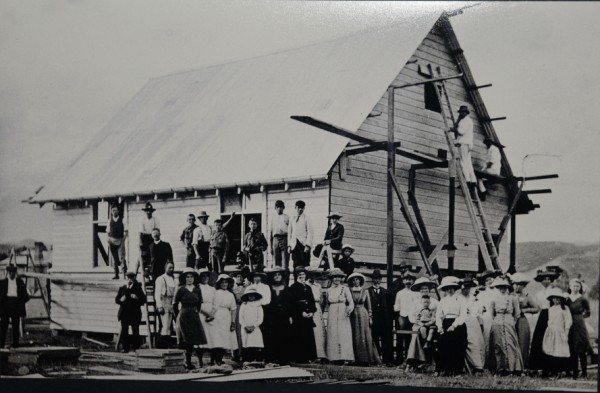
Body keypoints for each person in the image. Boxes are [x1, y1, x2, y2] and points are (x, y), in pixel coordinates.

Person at [487, 277, 524, 375]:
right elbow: (491, 313)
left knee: (510, 344)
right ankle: (500, 368)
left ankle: (512, 368)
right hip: (497, 321)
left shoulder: (513, 298)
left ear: (507, 287)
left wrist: (512, 322)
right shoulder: (494, 299)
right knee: (498, 345)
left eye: (504, 287)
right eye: (500, 287)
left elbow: (517, 313)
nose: (502, 289)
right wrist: (497, 320)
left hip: (509, 321)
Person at [173, 267, 207, 370]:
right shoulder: (181, 289)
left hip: (194, 316)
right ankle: (186, 362)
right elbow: (174, 305)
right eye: (187, 277)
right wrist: (178, 316)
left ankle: (194, 361)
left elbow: (199, 304)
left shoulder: (197, 289)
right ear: (184, 278)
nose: (189, 279)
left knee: (194, 339)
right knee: (185, 340)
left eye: (191, 277)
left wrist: (195, 312)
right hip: (184, 316)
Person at [435, 276, 468, 376]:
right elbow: (439, 315)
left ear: (455, 288)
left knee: (458, 346)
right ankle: (442, 369)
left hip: (458, 324)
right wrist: (440, 326)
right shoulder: (443, 300)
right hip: (445, 323)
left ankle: (457, 370)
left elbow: (463, 315)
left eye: (451, 288)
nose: (449, 290)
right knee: (442, 345)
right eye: (447, 288)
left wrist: (454, 325)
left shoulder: (461, 299)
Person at [529, 269, 559, 372]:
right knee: (539, 338)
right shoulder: (538, 294)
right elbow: (537, 306)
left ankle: (552, 367)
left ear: (551, 280)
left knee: (552, 338)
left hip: (553, 314)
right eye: (544, 279)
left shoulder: (555, 291)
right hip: (542, 316)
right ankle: (538, 366)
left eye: (548, 279)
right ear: (541, 281)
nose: (546, 281)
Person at [406, 277, 438, 370]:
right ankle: (414, 361)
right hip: (418, 324)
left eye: (426, 289)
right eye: (422, 289)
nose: (424, 290)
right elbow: (411, 316)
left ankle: (427, 361)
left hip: (431, 325)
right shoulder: (415, 302)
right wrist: (418, 323)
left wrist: (431, 322)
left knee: (429, 334)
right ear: (419, 290)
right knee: (416, 335)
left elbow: (438, 314)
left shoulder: (435, 302)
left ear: (429, 290)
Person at [347, 272, 380, 365]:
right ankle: (356, 359)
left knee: (364, 335)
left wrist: (370, 317)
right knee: (355, 334)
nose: (355, 281)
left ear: (360, 281)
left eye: (357, 279)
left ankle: (367, 359)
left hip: (363, 313)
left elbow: (369, 305)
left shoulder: (365, 291)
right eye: (353, 280)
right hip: (353, 314)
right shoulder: (349, 290)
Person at [325, 268, 354, 364]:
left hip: (342, 313)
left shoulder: (345, 289)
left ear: (341, 278)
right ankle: (333, 357)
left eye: (339, 277)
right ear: (332, 278)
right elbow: (326, 304)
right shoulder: (328, 290)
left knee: (343, 334)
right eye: (335, 277)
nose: (337, 279)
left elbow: (351, 302)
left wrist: (349, 309)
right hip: (332, 313)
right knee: (333, 333)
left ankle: (345, 357)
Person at [288, 267, 317, 363]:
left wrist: (312, 312)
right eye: (299, 275)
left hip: (308, 315)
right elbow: (292, 302)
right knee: (299, 335)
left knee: (308, 335)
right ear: (296, 276)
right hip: (298, 315)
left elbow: (312, 301)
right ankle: (299, 358)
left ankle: (309, 357)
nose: (301, 276)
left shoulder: (308, 287)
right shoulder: (293, 287)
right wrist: (301, 312)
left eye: (303, 275)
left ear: (306, 276)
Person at [263, 266, 292, 365]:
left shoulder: (287, 288)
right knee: (271, 337)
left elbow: (290, 303)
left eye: (279, 274)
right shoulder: (268, 288)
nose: (277, 276)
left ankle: (283, 359)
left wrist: (288, 314)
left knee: (283, 337)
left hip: (283, 317)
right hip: (271, 317)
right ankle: (272, 359)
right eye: (275, 275)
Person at [510, 272, 539, 371]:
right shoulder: (509, 295)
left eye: (520, 285)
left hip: (522, 321)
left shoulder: (527, 296)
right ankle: (511, 366)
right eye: (516, 284)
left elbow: (536, 308)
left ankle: (523, 367)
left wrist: (525, 310)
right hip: (511, 320)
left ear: (523, 286)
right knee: (511, 342)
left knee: (523, 343)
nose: (517, 287)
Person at [207, 274, 238, 365]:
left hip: (226, 317)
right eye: (222, 282)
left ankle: (219, 359)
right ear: (219, 283)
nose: (224, 284)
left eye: (226, 282)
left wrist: (232, 322)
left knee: (224, 338)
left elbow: (233, 309)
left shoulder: (231, 295)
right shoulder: (215, 293)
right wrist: (210, 316)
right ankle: (213, 360)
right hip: (216, 317)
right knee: (215, 339)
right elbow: (212, 306)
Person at [566, 278, 593, 379]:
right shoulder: (567, 299)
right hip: (569, 323)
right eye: (574, 286)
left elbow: (588, 312)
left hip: (579, 323)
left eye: (578, 286)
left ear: (580, 287)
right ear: (570, 287)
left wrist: (581, 318)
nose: (576, 288)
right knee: (572, 348)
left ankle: (584, 372)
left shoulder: (583, 299)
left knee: (581, 347)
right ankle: (574, 372)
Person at [542, 288, 572, 378]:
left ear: (561, 299)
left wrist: (566, 333)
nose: (556, 300)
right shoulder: (550, 309)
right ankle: (550, 370)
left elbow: (568, 321)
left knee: (560, 351)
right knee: (549, 350)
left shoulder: (565, 308)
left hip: (560, 331)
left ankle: (562, 371)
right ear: (551, 299)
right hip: (550, 331)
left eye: (558, 298)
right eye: (554, 298)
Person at [474, 269, 501, 366]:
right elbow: (480, 308)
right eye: (487, 280)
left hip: (498, 316)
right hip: (487, 318)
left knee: (498, 338)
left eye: (491, 279)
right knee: (487, 338)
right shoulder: (482, 294)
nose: (489, 282)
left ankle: (498, 362)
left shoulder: (499, 292)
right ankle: (487, 362)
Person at [458, 278, 485, 372]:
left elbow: (477, 312)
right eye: (464, 287)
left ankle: (478, 365)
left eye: (468, 287)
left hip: (473, 321)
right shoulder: (458, 298)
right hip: (462, 320)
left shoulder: (474, 298)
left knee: (477, 342)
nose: (466, 289)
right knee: (468, 341)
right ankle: (468, 365)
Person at [115, 272, 146, 353]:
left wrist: (137, 298)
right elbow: (116, 300)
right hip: (124, 313)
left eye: (131, 278)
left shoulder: (138, 288)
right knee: (125, 330)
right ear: (126, 279)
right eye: (128, 278)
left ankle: (136, 347)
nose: (130, 280)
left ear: (134, 278)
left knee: (135, 330)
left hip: (134, 313)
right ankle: (126, 348)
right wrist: (121, 300)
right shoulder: (122, 288)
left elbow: (143, 300)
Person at [367, 269, 394, 365]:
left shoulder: (386, 292)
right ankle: (376, 359)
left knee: (385, 340)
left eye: (378, 278)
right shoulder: (368, 291)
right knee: (374, 339)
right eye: (375, 279)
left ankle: (387, 360)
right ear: (372, 280)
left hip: (384, 321)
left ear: (381, 279)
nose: (377, 281)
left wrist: (389, 320)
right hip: (373, 320)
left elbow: (390, 308)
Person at [0, 265, 30, 348]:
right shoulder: (2, 283)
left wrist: (20, 303)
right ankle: (1, 345)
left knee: (15, 326)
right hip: (6, 305)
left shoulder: (20, 282)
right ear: (7, 273)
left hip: (16, 305)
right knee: (3, 326)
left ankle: (16, 345)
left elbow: (26, 296)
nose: (11, 274)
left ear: (15, 273)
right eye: (9, 272)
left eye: (13, 272)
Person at [451, 105, 477, 196]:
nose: (461, 114)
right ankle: (473, 181)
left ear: (466, 113)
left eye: (462, 112)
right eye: (460, 112)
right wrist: (457, 120)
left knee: (463, 163)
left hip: (464, 144)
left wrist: (453, 129)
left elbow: (461, 131)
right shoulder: (464, 120)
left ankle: (467, 181)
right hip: (466, 143)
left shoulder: (467, 121)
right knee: (468, 163)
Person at [393, 272, 417, 364]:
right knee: (400, 337)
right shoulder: (400, 293)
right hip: (402, 316)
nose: (408, 281)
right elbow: (397, 305)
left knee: (410, 338)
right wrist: (398, 317)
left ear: (413, 281)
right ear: (403, 281)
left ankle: (409, 359)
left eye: (410, 280)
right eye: (406, 279)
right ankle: (399, 359)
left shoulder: (416, 293)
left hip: (412, 317)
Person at [306, 267, 327, 362]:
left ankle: (321, 354)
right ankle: (310, 354)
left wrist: (320, 309)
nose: (312, 277)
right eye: (310, 275)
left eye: (314, 275)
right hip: (307, 308)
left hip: (317, 307)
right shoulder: (305, 284)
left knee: (318, 330)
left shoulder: (318, 286)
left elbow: (322, 299)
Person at [239, 287, 265, 362]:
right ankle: (247, 360)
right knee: (247, 344)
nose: (251, 297)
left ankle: (257, 360)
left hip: (255, 328)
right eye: (249, 295)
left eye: (253, 295)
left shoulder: (258, 305)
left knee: (256, 343)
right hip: (245, 328)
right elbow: (241, 318)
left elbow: (260, 318)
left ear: (256, 296)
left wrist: (254, 326)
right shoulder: (243, 305)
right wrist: (245, 326)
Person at [154, 261, 177, 344]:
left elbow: (175, 293)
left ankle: (169, 342)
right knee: (165, 325)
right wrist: (159, 306)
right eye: (169, 268)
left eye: (172, 268)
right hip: (164, 302)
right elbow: (157, 294)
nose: (171, 269)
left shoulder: (174, 279)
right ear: (165, 268)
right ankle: (163, 343)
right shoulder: (161, 279)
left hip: (171, 303)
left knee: (173, 324)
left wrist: (174, 304)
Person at [287, 200, 313, 268]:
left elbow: (310, 232)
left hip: (303, 244)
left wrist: (308, 245)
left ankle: (305, 278)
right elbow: (289, 232)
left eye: (302, 208)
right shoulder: (292, 218)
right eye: (298, 207)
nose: (300, 209)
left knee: (305, 264)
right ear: (295, 207)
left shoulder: (307, 218)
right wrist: (289, 245)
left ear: (304, 208)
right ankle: (296, 279)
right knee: (296, 264)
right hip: (294, 245)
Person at [197, 269, 215, 361]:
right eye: (203, 276)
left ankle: (212, 360)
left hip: (211, 314)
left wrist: (212, 314)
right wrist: (205, 313)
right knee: (201, 338)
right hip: (201, 313)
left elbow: (215, 302)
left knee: (212, 337)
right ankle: (200, 360)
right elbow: (197, 303)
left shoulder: (212, 289)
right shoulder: (197, 288)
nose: (205, 278)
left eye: (206, 276)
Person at [107, 204, 128, 279]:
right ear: (111, 212)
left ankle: (125, 274)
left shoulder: (122, 220)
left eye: (115, 210)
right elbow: (108, 232)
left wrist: (123, 241)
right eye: (113, 210)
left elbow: (126, 232)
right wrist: (109, 240)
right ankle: (116, 274)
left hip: (120, 241)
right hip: (112, 241)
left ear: (118, 211)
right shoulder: (110, 221)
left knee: (121, 258)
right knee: (114, 258)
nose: (114, 212)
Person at [139, 202, 160, 275]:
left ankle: (153, 272)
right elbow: (141, 232)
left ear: (152, 212)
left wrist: (156, 239)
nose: (148, 212)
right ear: (145, 211)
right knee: (145, 255)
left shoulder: (155, 219)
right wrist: (140, 241)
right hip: (145, 238)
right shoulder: (142, 219)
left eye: (150, 211)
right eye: (147, 211)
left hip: (152, 237)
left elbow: (157, 230)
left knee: (153, 254)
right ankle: (146, 273)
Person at [269, 200, 290, 269]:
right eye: (277, 207)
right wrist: (271, 246)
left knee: (285, 259)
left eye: (281, 207)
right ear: (275, 208)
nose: (279, 209)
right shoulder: (273, 218)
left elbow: (290, 230)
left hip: (284, 238)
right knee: (276, 260)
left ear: (283, 208)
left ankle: (285, 278)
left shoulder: (287, 217)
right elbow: (271, 232)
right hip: (275, 239)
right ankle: (277, 278)